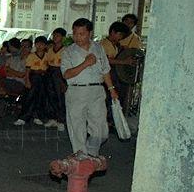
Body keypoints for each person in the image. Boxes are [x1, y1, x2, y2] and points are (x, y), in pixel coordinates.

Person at [60, 18, 118, 157]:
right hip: (76, 91)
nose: (77, 37)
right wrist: (85, 63)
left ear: (90, 33)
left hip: (97, 90)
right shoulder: (68, 52)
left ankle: (91, 151)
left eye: (82, 34)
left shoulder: (98, 48)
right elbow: (66, 74)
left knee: (101, 130)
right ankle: (81, 156)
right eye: (75, 34)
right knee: (77, 127)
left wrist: (112, 89)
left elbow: (105, 70)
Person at [13, 36, 50, 126]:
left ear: (45, 45)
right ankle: (23, 118)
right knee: (29, 98)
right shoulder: (31, 56)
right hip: (33, 78)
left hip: (43, 79)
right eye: (38, 44)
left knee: (40, 98)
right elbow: (28, 70)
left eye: (42, 44)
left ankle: (37, 116)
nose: (39, 46)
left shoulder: (47, 56)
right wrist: (27, 81)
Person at [101, 21, 133, 111]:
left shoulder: (115, 45)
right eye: (120, 34)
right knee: (108, 100)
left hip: (115, 76)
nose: (121, 37)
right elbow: (105, 61)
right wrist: (124, 62)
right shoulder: (103, 44)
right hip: (107, 77)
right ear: (113, 32)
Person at [44, 28, 68, 131]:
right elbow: (47, 63)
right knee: (50, 96)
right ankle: (52, 118)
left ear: (62, 38)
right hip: (50, 72)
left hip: (60, 73)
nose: (55, 37)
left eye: (57, 36)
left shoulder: (66, 50)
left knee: (60, 97)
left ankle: (61, 120)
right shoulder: (50, 49)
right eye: (54, 35)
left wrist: (64, 81)